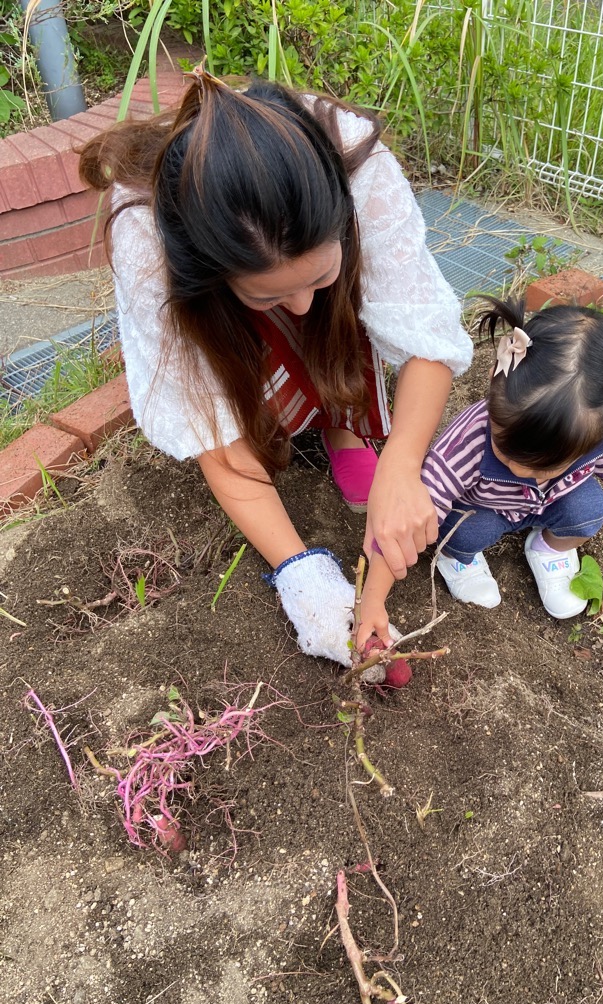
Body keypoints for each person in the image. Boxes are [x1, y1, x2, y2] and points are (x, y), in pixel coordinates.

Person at [78, 67, 472, 667]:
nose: (302, 306)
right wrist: (301, 572)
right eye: (269, 293)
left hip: (307, 254)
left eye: (318, 274)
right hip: (217, 307)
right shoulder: (148, 240)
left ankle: (344, 422)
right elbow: (210, 432)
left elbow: (427, 338)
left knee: (336, 314)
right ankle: (270, 352)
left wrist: (402, 464)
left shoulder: (356, 164)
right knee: (246, 355)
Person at [358, 294, 603, 643]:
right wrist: (372, 600)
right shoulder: (466, 443)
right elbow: (409, 512)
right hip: (484, 507)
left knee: (591, 510)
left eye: (546, 467)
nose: (520, 471)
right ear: (494, 381)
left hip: (553, 503)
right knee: (463, 532)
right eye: (505, 452)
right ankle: (459, 558)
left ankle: (549, 548)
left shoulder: (596, 433)